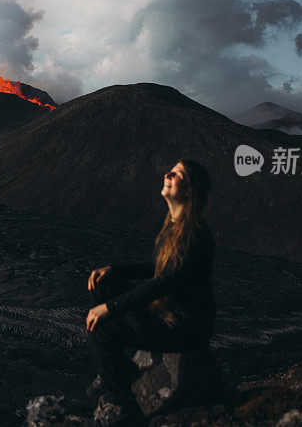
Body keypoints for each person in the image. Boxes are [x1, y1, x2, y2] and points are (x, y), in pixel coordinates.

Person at [85, 158, 216, 425]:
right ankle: (118, 369)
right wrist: (115, 270)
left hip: (182, 326)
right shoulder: (174, 226)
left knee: (103, 328)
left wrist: (110, 307)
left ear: (190, 189)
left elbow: (164, 282)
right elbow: (157, 269)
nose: (166, 175)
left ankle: (121, 405)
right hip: (168, 311)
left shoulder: (195, 234)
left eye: (176, 174)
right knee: (102, 285)